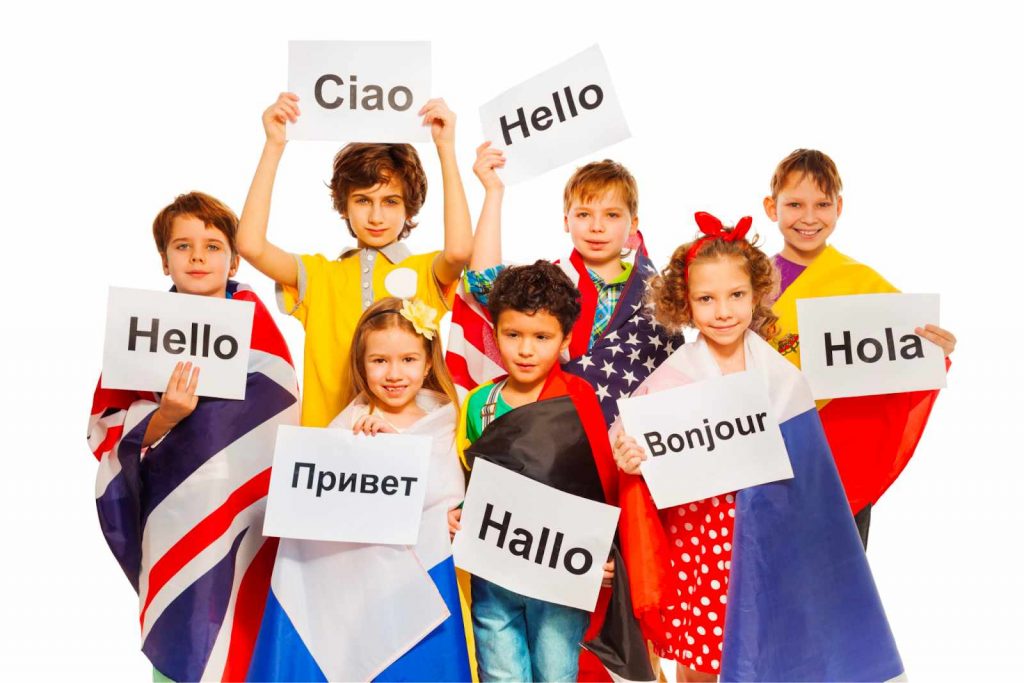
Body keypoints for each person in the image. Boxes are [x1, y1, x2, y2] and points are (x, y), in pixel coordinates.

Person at [612, 213, 903, 681]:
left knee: (774, 651)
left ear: (756, 295)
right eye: (706, 299)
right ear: (685, 303)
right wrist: (628, 456)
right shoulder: (671, 378)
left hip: (771, 541)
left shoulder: (783, 377)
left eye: (736, 296)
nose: (723, 311)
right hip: (702, 546)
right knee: (703, 662)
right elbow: (631, 443)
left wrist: (919, 351)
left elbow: (814, 458)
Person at [87, 192, 299, 681]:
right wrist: (163, 417)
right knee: (183, 628)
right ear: (165, 261)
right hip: (174, 511)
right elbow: (106, 425)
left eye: (212, 245)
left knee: (248, 628)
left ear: (235, 258)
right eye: (183, 246)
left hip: (248, 507)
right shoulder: (140, 330)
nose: (198, 256)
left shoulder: (258, 326)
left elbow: (283, 413)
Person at [247, 297, 471, 682]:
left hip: (429, 581)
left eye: (408, 360)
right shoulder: (350, 422)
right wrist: (375, 449)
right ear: (361, 365)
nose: (394, 373)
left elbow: (464, 486)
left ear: (429, 362)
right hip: (361, 593)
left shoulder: (453, 416)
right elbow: (318, 513)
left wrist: (458, 516)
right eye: (379, 361)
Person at [449, 262, 652, 682]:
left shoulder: (580, 399)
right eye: (513, 335)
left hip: (559, 577)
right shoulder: (479, 404)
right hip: (495, 572)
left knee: (556, 672)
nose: (526, 350)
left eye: (541, 337)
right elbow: (471, 477)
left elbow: (600, 484)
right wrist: (459, 511)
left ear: (565, 338)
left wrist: (606, 553)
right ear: (495, 332)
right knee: (500, 673)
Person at [237, 92, 473, 427]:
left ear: (409, 208)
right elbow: (249, 245)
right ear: (344, 204)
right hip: (327, 453)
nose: (376, 216)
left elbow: (461, 252)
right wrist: (274, 144)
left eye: (391, 201)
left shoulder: (424, 271)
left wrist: (446, 148)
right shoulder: (319, 275)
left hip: (405, 450)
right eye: (363, 200)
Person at [764, 148, 956, 546]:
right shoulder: (749, 281)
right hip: (769, 453)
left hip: (841, 459)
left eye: (822, 204)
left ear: (839, 207)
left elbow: (904, 359)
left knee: (839, 576)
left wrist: (937, 349)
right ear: (772, 207)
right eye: (795, 204)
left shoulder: (862, 284)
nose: (810, 217)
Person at [447, 145, 683, 425]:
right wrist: (493, 192)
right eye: (584, 214)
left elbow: (673, 370)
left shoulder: (656, 293)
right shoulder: (551, 280)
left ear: (633, 224)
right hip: (556, 426)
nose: (597, 226)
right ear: (566, 221)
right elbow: (485, 282)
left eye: (611, 215)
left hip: (629, 438)